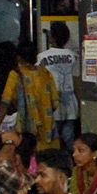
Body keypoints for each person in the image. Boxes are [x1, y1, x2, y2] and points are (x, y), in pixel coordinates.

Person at [0, 40, 61, 147]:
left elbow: (5, 102)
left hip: (27, 132)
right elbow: (55, 102)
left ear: (19, 57)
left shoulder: (16, 74)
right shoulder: (45, 73)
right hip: (48, 130)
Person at [37, 20, 79, 148]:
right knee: (69, 140)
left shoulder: (42, 57)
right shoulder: (73, 56)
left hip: (51, 105)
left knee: (52, 141)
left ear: (51, 37)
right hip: (70, 105)